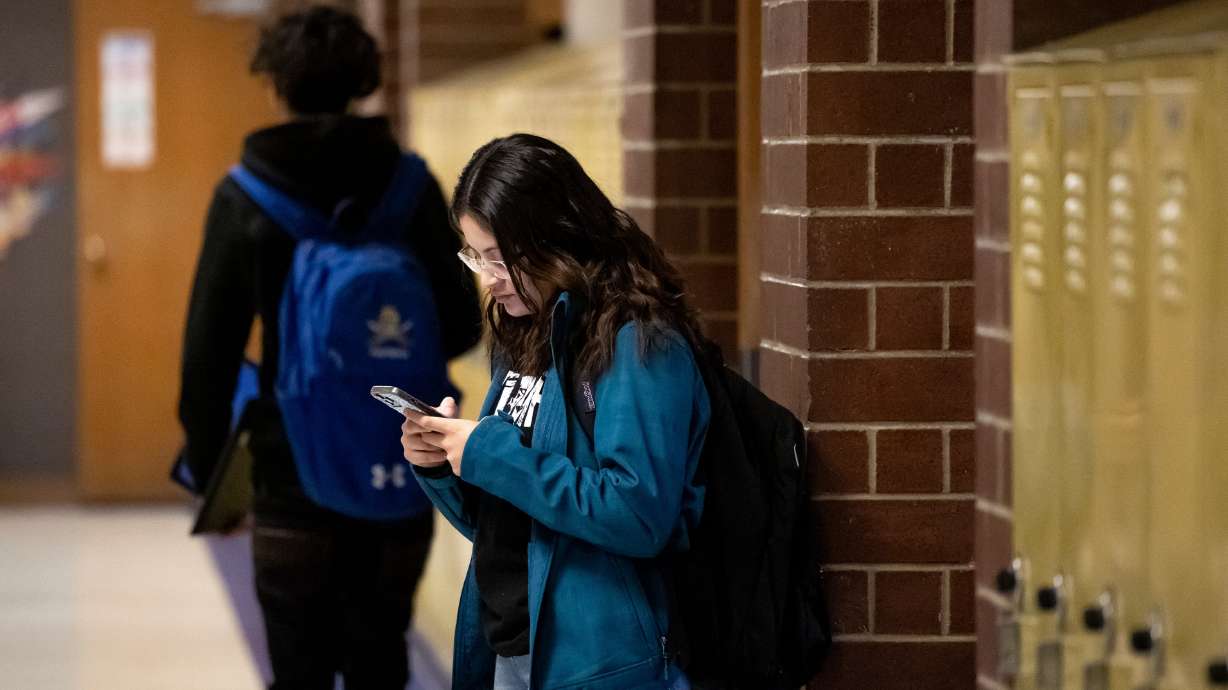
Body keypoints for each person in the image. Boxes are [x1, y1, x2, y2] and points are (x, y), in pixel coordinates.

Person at [177, 6, 482, 689]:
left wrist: (210, 479)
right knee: (381, 659)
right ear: (363, 83)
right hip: (398, 467)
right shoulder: (410, 186)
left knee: (298, 668)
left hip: (290, 477)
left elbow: (207, 358)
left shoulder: (244, 197)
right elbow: (461, 325)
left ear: (276, 86)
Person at [399, 133, 711, 690]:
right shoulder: (525, 332)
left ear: (559, 240)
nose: (489, 278)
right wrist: (443, 466)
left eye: (500, 258)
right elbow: (514, 521)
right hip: (515, 645)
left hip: (600, 660)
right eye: (475, 255)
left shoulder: (639, 342)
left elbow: (639, 515)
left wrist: (492, 456)